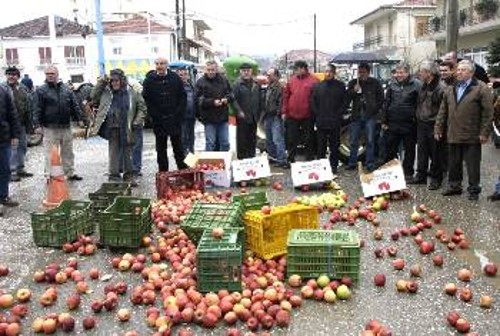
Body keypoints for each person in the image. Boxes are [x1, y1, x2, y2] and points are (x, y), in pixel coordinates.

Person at [435, 60, 494, 201]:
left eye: (463, 70)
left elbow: (488, 112)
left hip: (472, 134)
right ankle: (454, 186)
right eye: (458, 69)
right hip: (453, 132)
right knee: (453, 162)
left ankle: (473, 190)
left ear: (471, 72)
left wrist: (484, 132)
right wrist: (438, 127)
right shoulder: (451, 87)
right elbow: (443, 110)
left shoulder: (481, 88)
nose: (459, 72)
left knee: (472, 164)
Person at [89, 69, 146, 185]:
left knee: (128, 152)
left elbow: (142, 107)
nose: (114, 83)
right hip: (112, 127)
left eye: (117, 80)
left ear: (122, 80)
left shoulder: (131, 92)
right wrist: (102, 82)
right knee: (113, 153)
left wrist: (137, 121)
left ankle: (129, 177)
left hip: (127, 127)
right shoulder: (106, 92)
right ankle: (114, 177)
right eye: (112, 81)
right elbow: (93, 96)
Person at [33, 66, 88, 181]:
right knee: (50, 153)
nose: (50, 75)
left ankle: (70, 172)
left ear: (57, 74)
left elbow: (74, 105)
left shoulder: (67, 89)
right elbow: (36, 108)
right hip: (49, 127)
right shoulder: (41, 90)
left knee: (68, 152)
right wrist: (37, 125)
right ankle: (50, 175)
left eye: (52, 73)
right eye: (47, 73)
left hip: (66, 126)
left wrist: (80, 118)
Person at [143, 57, 188, 172]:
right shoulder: (149, 80)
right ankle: (163, 173)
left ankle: (182, 170)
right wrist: (154, 115)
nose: (159, 66)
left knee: (178, 148)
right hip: (159, 120)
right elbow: (147, 100)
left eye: (162, 63)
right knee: (161, 149)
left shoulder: (175, 78)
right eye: (157, 63)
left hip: (174, 119)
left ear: (167, 65)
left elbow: (182, 97)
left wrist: (178, 114)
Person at [382, 63, 420, 179]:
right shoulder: (392, 85)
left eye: (401, 72)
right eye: (397, 73)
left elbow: (419, 104)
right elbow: (387, 103)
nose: (399, 75)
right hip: (393, 122)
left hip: (409, 123)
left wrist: (416, 119)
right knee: (390, 149)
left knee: (409, 150)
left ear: (407, 73)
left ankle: (408, 173)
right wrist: (384, 120)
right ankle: (391, 171)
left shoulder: (416, 85)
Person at [411, 61, 445, 190]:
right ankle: (421, 176)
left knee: (435, 153)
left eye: (422, 71)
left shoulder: (440, 87)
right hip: (422, 123)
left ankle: (436, 179)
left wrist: (439, 127)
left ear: (429, 73)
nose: (419, 74)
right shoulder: (423, 85)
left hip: (434, 124)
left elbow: (443, 110)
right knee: (422, 151)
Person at [346, 62, 384, 172]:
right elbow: (347, 98)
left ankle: (369, 163)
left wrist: (374, 110)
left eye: (363, 72)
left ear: (368, 72)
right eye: (359, 72)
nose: (361, 74)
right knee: (353, 141)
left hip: (370, 116)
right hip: (356, 116)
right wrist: (354, 91)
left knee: (370, 140)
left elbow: (381, 99)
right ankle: (352, 162)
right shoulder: (353, 82)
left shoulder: (375, 83)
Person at [310, 64, 346, 173]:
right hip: (321, 121)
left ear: (334, 73)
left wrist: (339, 114)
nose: (328, 73)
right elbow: (313, 101)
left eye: (330, 71)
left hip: (335, 121)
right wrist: (317, 114)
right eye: (326, 71)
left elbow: (344, 102)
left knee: (334, 146)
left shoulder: (340, 86)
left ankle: (333, 167)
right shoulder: (318, 86)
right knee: (321, 146)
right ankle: (321, 167)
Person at [282, 60, 319, 162]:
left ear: (303, 68)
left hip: (308, 115)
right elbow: (286, 96)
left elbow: (317, 98)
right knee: (291, 138)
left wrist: (316, 112)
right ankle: (290, 158)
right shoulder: (291, 80)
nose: (295, 71)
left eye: (296, 69)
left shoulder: (314, 80)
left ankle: (309, 159)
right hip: (292, 115)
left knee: (308, 138)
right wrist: (284, 111)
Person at [2, 67, 33, 182]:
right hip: (9, 125)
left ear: (18, 77)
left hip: (22, 123)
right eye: (9, 74)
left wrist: (30, 124)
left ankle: (20, 168)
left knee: (23, 147)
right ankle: (12, 172)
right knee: (13, 149)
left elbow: (28, 106)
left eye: (14, 74)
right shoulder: (3, 89)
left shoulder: (23, 88)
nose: (11, 76)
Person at [195, 60, 233, 152]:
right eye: (209, 70)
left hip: (223, 117)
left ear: (217, 69)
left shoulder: (224, 80)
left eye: (213, 70)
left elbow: (231, 94)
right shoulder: (200, 82)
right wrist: (212, 102)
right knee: (210, 143)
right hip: (209, 118)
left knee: (225, 143)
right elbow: (198, 100)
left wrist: (226, 99)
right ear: (205, 70)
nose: (211, 72)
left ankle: (224, 163)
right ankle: (210, 164)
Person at [0, 84, 21, 216]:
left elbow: (12, 113)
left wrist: (14, 134)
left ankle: (3, 196)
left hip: (3, 138)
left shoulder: (2, 90)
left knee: (5, 170)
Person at [232, 63, 260, 159]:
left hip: (254, 116)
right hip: (242, 116)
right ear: (241, 72)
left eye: (248, 70)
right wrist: (239, 111)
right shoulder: (237, 84)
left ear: (251, 71)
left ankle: (252, 158)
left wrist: (259, 112)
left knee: (252, 139)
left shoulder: (256, 84)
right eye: (244, 71)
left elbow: (259, 98)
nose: (246, 72)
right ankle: (242, 159)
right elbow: (233, 100)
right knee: (242, 139)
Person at [263, 68, 288, 168]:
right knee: (269, 138)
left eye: (270, 75)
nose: (267, 76)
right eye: (267, 74)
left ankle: (281, 159)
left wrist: (278, 113)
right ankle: (273, 158)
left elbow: (281, 102)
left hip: (276, 117)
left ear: (276, 76)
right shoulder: (269, 86)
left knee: (277, 138)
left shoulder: (280, 87)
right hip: (268, 116)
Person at [177, 67, 196, 155]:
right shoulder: (175, 87)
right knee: (183, 139)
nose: (183, 77)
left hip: (191, 117)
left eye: (185, 74)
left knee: (191, 138)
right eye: (180, 75)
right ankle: (184, 160)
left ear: (188, 76)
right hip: (181, 117)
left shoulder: (191, 85)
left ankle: (191, 158)